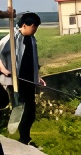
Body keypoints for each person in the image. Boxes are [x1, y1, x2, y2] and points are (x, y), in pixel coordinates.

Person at [0, 13, 47, 146]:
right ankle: (23, 139)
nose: (35, 30)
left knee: (31, 111)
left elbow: (32, 61)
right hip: (15, 81)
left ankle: (26, 138)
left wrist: (37, 76)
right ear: (25, 25)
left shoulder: (32, 40)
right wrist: (4, 70)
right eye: (33, 27)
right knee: (22, 108)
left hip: (29, 80)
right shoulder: (11, 38)